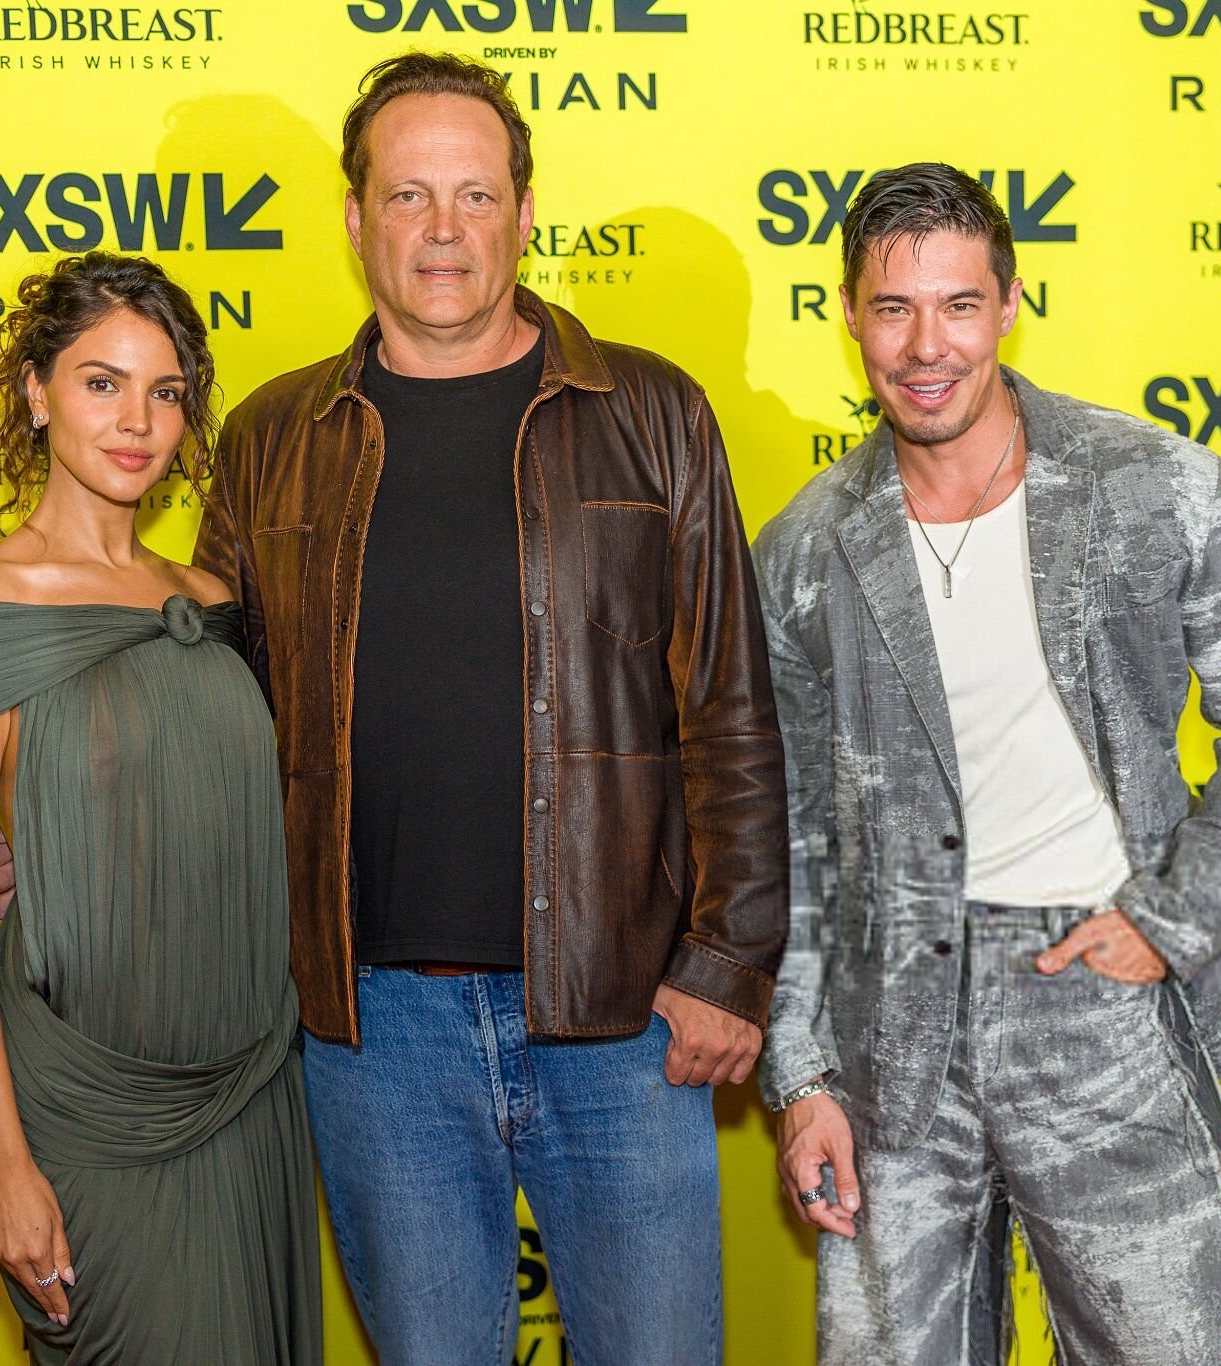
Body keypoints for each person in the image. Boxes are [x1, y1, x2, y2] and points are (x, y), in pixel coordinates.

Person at [192, 53, 788, 1365]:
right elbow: (208, 709)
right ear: (355, 218)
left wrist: (727, 964)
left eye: (473, 194)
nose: (443, 230)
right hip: (374, 1031)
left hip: (623, 1013)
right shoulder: (271, 437)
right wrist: (52, 824)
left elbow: (731, 709)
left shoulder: (651, 411)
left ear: (523, 211)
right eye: (408, 195)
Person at [754, 163, 1221, 1364]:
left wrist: (1170, 919)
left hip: (1097, 1002)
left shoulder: (1153, 484)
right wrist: (800, 1074)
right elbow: (792, 833)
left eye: (957, 304)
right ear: (848, 315)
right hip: (887, 1029)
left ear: (1009, 304)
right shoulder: (803, 551)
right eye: (893, 308)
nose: (926, 346)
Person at [0, 252, 319, 1365]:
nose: (137, 421)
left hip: (252, 1081)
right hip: (88, 1110)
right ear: (36, 393)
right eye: (101, 383)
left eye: (165, 391)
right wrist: (3, 1160)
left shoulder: (211, 602)